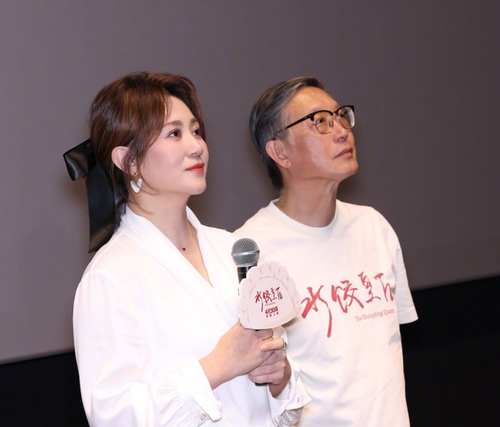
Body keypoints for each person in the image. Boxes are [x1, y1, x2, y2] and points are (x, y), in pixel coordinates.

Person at [64, 72, 309, 426]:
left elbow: (287, 412)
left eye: (195, 131)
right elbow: (114, 417)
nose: (197, 146)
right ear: (128, 161)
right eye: (174, 134)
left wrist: (279, 377)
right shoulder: (110, 276)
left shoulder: (233, 249)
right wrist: (216, 367)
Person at [235, 77, 418, 426]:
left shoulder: (374, 226)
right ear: (280, 152)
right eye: (320, 121)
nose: (342, 131)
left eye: (341, 116)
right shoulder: (251, 252)